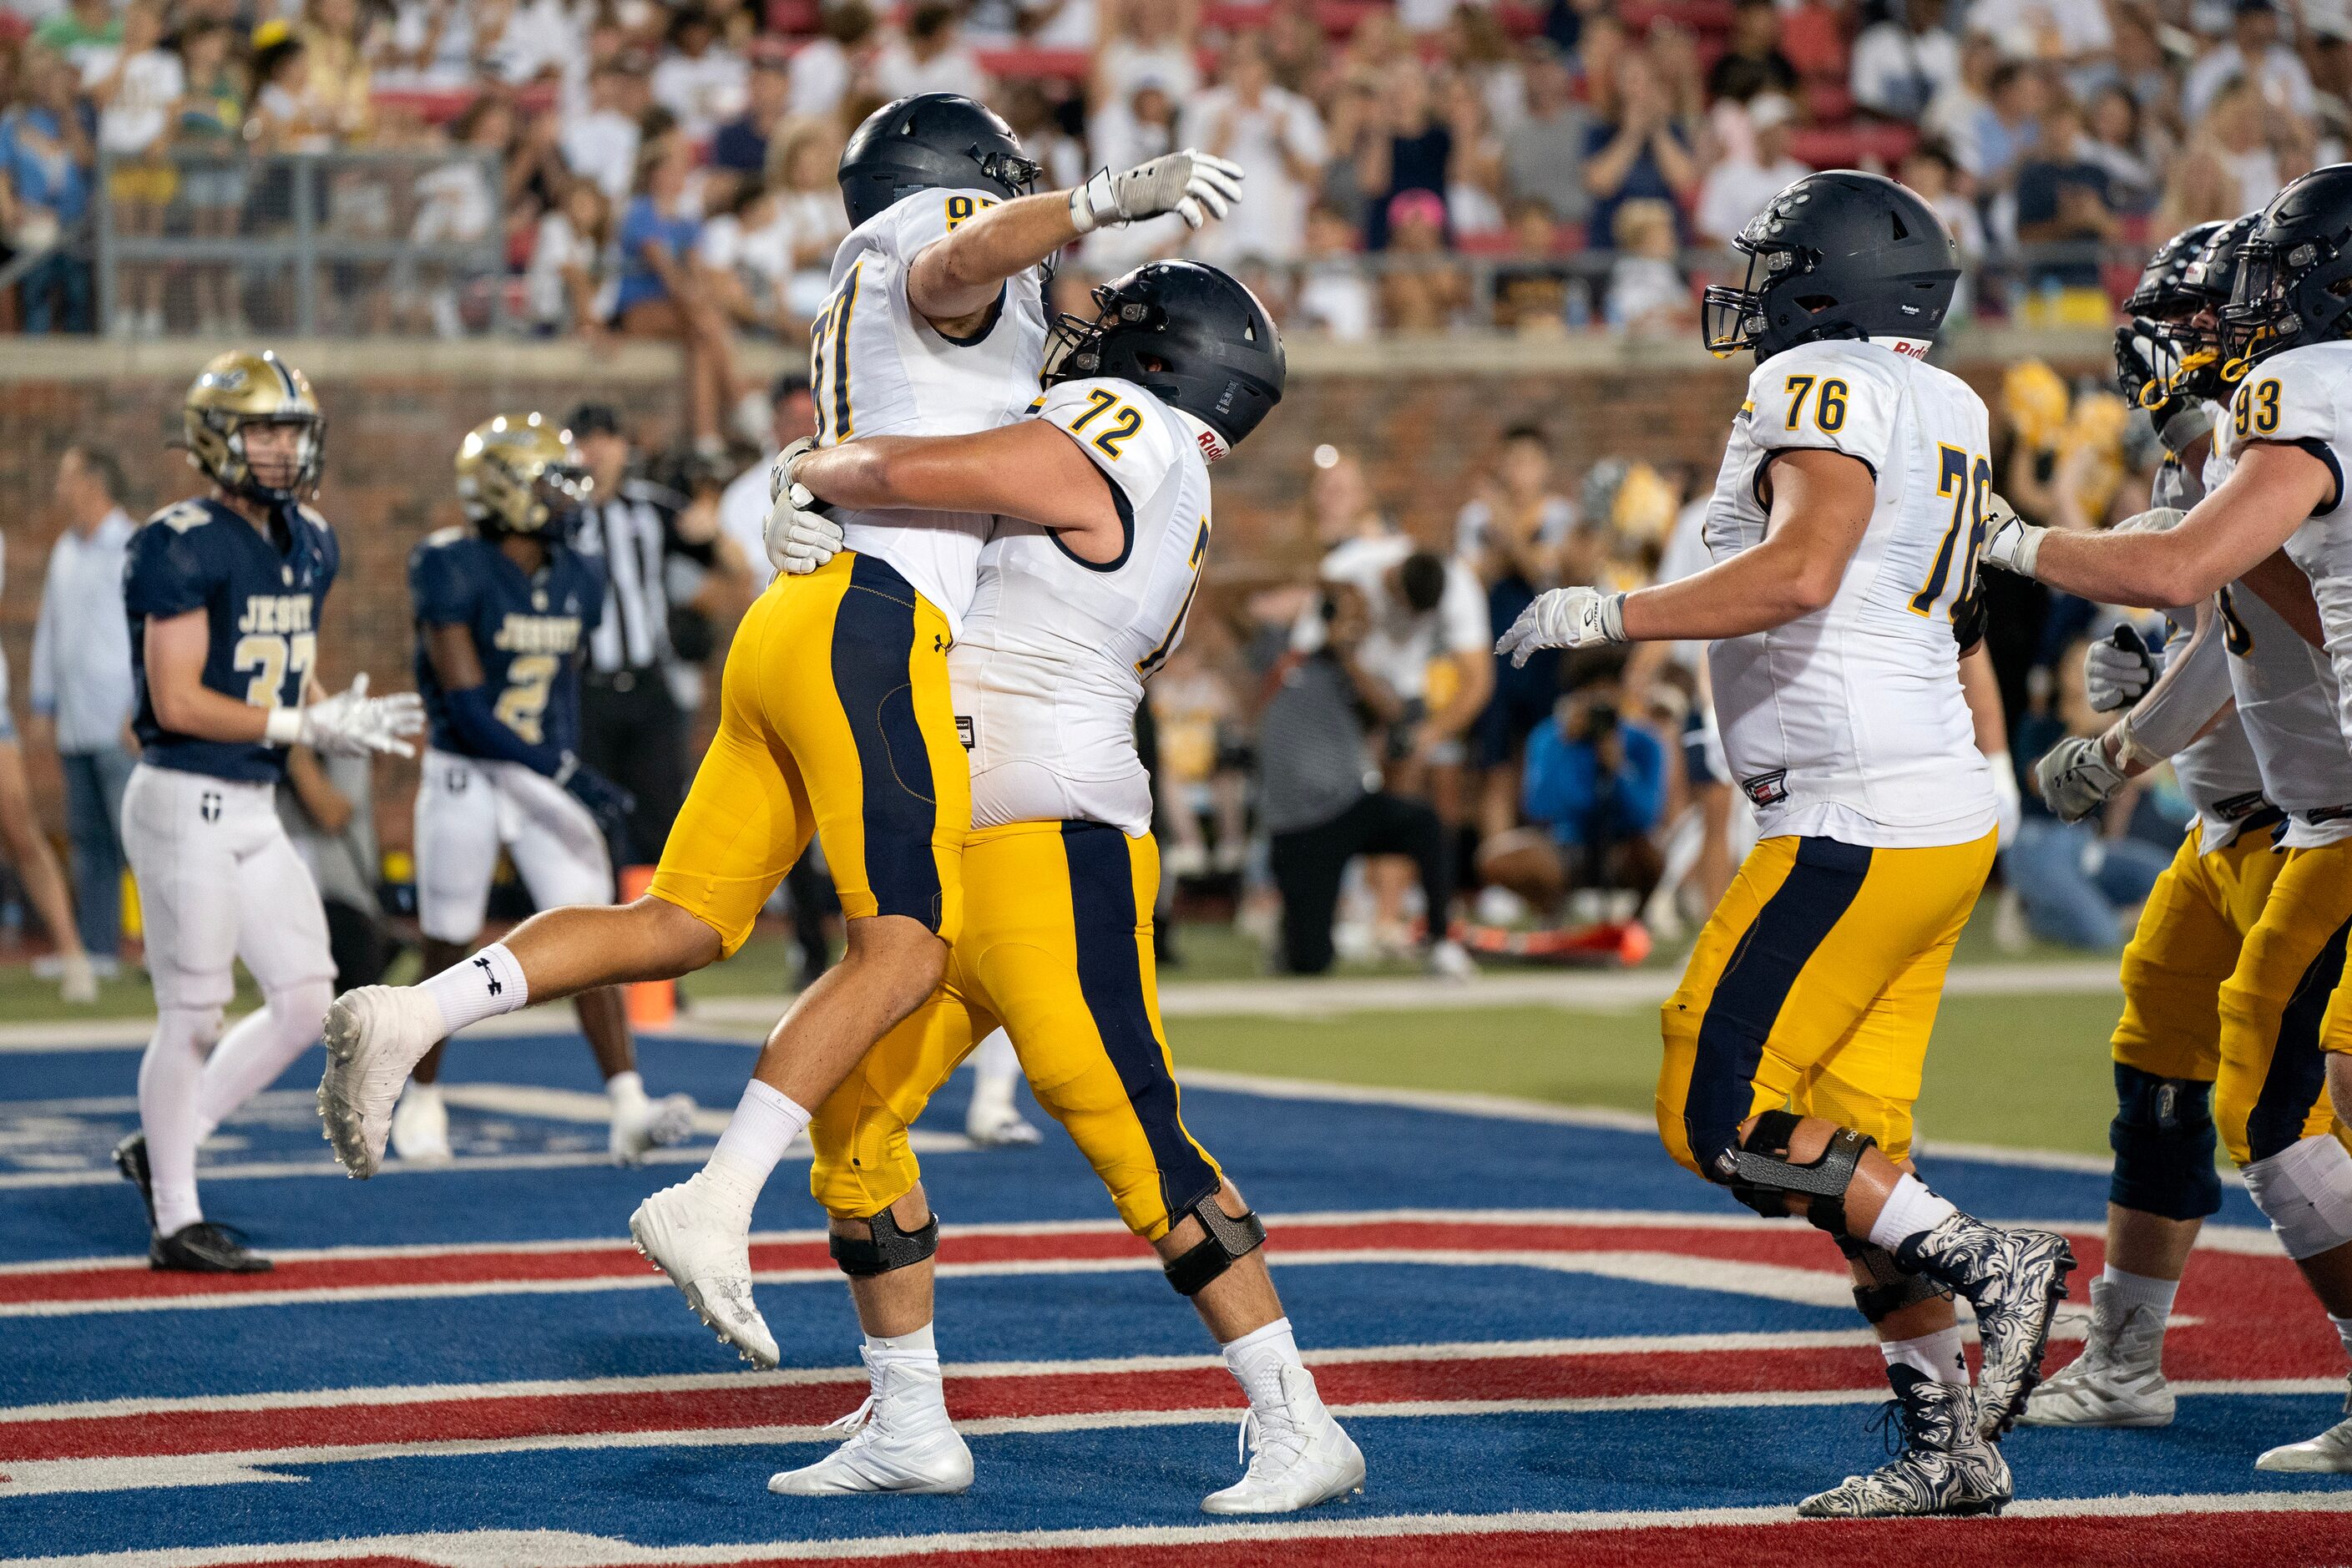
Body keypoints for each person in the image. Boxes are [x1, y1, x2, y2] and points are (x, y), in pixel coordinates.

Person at [314, 95, 1242, 1365]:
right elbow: (958, 261)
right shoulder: (941, 237)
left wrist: (802, 483)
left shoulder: (876, 302)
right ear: (957, 179)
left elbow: (887, 424)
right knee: (906, 949)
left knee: (685, 921)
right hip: (873, 626)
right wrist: (1094, 200)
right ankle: (715, 1198)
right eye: (1007, 181)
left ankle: (416, 1013)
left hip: (799, 617)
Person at [1501, 172, 2076, 1515]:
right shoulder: (1949, 396)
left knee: (1714, 1108)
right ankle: (1949, 1445)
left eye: (1777, 264)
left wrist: (1611, 612)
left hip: (1850, 807)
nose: (1754, 289)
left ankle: (1989, 1259)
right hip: (1926, 809)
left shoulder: (1821, 380)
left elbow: (1802, 570)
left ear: (1833, 285)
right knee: (1852, 1155)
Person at [762, 259, 1357, 1510]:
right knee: (855, 1105)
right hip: (964, 848)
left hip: (1051, 838)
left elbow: (980, 469)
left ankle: (1298, 1418)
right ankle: (909, 1413)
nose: (1078, 337)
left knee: (1122, 1120)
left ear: (1157, 359)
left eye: (1110, 325)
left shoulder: (1122, 427)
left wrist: (827, 464)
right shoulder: (1162, 460)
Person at [1980, 164, 2352, 1471]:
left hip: (2302, 813)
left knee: (2294, 1097)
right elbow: (2236, 616)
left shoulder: (2292, 427)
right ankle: (2127, 1354)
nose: (2202, 331)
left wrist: (2024, 548)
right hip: (2253, 819)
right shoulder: (2239, 451)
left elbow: (2224, 598)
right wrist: (2137, 729)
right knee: (2165, 1063)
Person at [113, 351, 423, 1272]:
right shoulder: (177, 541)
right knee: (195, 1013)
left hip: (252, 804)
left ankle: (167, 1140)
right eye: (264, 430)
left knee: (302, 1001)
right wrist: (301, 721)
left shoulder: (312, 540)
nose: (285, 448)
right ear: (216, 439)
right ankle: (175, 1218)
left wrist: (334, 714)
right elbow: (175, 701)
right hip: (182, 798)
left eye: (293, 429)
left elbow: (281, 660)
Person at [392, 413, 697, 1166]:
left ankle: (627, 1102)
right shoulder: (449, 566)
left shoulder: (578, 574)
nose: (569, 496)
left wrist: (560, 768)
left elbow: (558, 688)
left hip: (537, 772)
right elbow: (464, 707)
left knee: (589, 928)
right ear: (505, 493)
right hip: (467, 768)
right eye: (550, 482)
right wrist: (567, 771)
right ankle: (421, 1097)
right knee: (448, 934)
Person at [28, 445, 137, 979]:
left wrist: (142, 705)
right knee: (90, 844)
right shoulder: (65, 550)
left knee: (138, 842)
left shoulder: (132, 546)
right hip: (75, 723)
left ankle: (170, 953)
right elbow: (51, 628)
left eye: (67, 477)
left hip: (119, 723)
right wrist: (43, 701)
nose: (59, 488)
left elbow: (150, 629)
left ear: (94, 482)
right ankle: (99, 955)